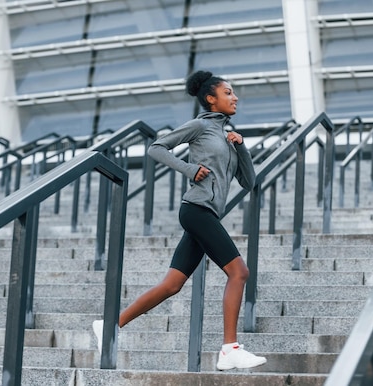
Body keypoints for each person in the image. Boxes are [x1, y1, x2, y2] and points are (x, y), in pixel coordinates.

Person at [93, 70, 266, 370]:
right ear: (211, 99)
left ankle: (110, 325)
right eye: (228, 92)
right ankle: (230, 349)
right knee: (239, 272)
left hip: (207, 213)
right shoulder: (200, 126)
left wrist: (241, 147)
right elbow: (156, 147)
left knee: (172, 285)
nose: (235, 96)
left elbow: (249, 183)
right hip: (196, 210)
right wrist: (189, 169)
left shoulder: (228, 135)